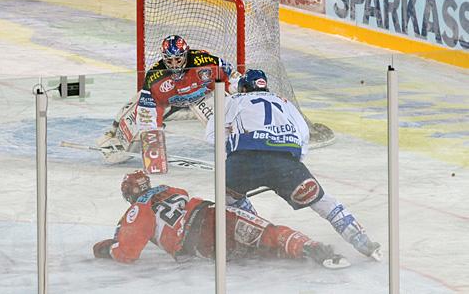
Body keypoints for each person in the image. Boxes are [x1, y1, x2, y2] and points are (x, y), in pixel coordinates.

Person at [205, 69, 382, 261]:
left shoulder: (234, 100)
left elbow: (211, 137)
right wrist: (291, 166)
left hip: (244, 161)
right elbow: (303, 134)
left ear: (243, 88)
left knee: (227, 199)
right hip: (285, 161)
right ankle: (363, 241)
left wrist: (231, 144)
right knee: (322, 201)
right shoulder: (284, 101)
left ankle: (258, 230)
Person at [93, 170, 350, 269]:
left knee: (247, 249)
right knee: (265, 233)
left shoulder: (135, 210)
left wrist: (107, 249)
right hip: (209, 217)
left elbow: (128, 252)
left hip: (195, 248)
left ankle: (291, 250)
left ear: (128, 194)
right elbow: (180, 197)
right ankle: (312, 248)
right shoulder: (170, 191)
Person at [95, 34, 239, 163]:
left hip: (202, 97)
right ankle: (113, 132)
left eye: (178, 59)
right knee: (136, 111)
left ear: (186, 53)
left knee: (221, 127)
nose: (174, 65)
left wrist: (240, 91)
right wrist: (152, 135)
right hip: (170, 101)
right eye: (169, 61)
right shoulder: (155, 75)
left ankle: (238, 150)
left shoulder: (206, 62)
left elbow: (233, 77)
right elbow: (147, 110)